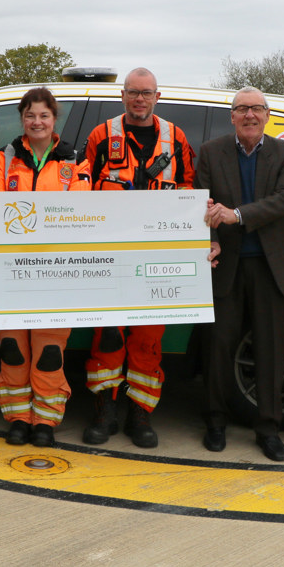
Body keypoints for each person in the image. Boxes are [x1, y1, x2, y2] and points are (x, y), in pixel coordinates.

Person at [80, 67, 195, 448]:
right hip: (110, 255)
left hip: (156, 256)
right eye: (133, 92)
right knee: (107, 335)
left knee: (148, 338)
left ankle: (140, 414)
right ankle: (104, 411)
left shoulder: (175, 138)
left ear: (157, 97)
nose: (139, 99)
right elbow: (79, 187)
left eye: (146, 93)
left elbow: (191, 191)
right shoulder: (101, 136)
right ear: (123, 96)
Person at [194, 88, 284, 462]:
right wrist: (211, 236)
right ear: (232, 117)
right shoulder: (210, 152)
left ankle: (268, 429)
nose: (250, 115)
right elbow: (199, 202)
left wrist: (235, 216)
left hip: (272, 267)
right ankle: (215, 422)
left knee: (272, 350)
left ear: (267, 114)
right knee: (217, 347)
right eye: (242, 109)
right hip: (225, 264)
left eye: (256, 109)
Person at [0, 87, 92, 448]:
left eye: (43, 115)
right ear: (22, 118)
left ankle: (45, 421)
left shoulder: (73, 161)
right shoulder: (6, 157)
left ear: (54, 118)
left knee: (49, 353)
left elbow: (78, 212)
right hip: (10, 269)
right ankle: (18, 418)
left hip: (56, 271)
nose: (37, 122)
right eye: (30, 115)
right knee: (13, 348)